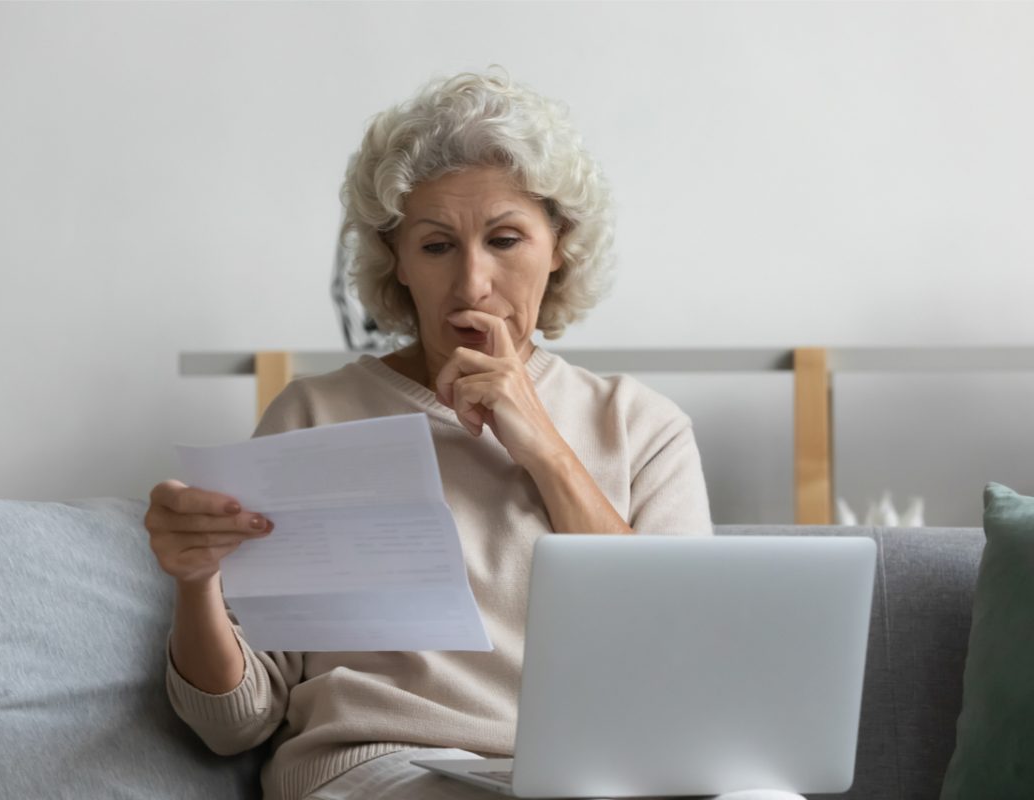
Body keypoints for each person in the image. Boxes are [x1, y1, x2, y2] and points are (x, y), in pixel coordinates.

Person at [144, 68, 712, 800]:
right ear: (398, 263)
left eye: (505, 239)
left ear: (559, 245)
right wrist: (197, 584)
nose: (473, 282)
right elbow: (235, 722)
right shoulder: (315, 415)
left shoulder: (643, 427)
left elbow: (675, 663)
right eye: (438, 246)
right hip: (380, 772)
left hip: (589, 777)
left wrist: (541, 443)